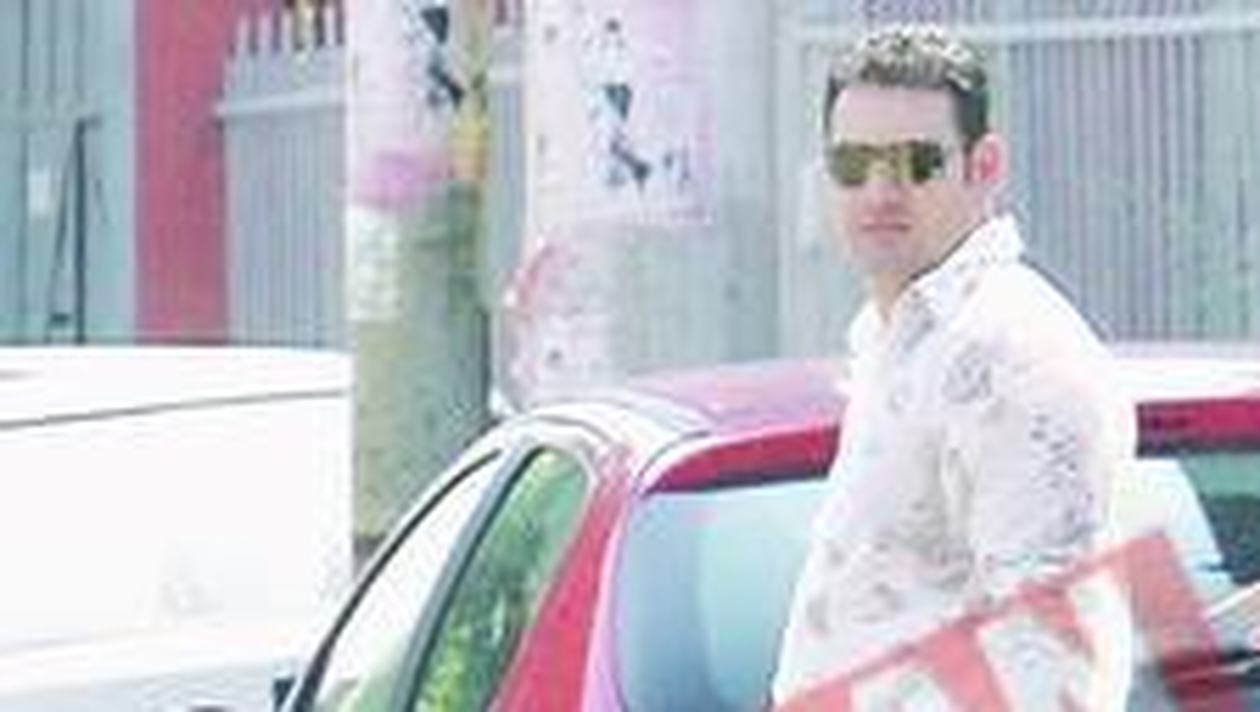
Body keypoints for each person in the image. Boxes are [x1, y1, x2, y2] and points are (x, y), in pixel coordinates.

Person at [773, 25, 1136, 708]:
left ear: (984, 165)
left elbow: (1047, 666)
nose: (880, 191)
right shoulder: (902, 338)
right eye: (852, 164)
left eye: (917, 162)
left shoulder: (1011, 352)